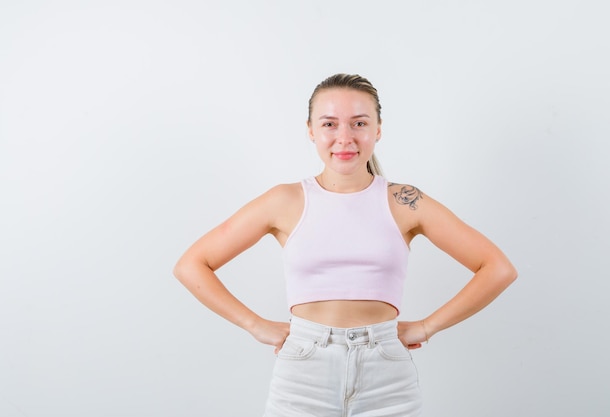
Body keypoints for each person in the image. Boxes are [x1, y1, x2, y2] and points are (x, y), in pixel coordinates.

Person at [173, 73, 517, 416]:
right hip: (303, 374)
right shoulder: (284, 200)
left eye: (359, 123)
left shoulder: (404, 201)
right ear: (311, 130)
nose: (344, 138)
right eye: (329, 124)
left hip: (387, 376)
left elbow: (497, 268)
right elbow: (192, 264)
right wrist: (254, 325)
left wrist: (427, 327)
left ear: (378, 129)